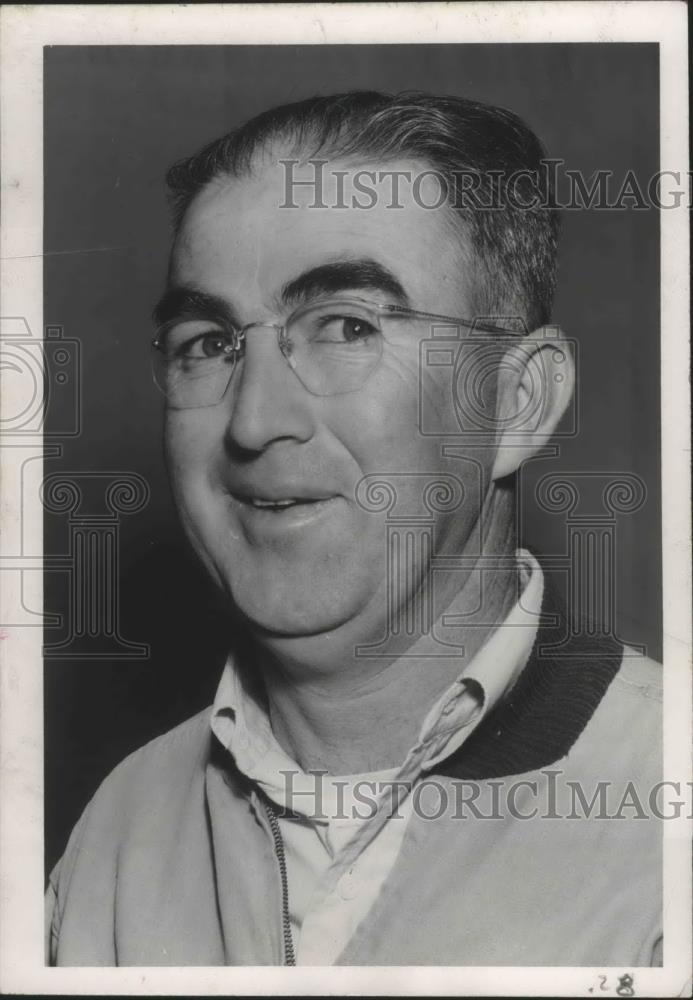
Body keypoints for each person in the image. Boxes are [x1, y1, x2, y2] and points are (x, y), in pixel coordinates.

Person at [45, 91, 662, 967]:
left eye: (345, 326)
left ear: (517, 403)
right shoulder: (120, 826)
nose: (255, 421)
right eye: (210, 342)